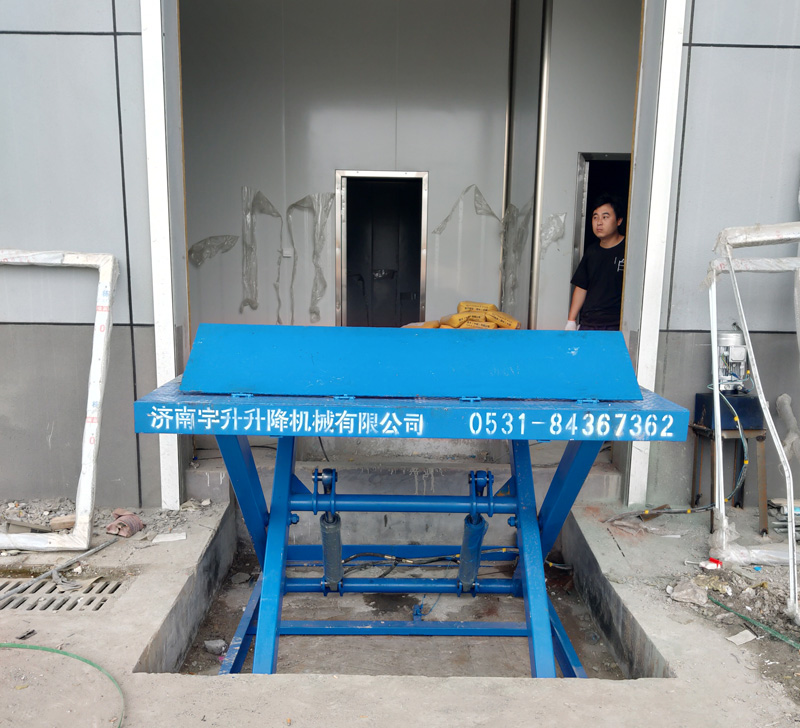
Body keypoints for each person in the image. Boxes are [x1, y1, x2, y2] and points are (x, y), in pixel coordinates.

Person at [565, 193, 626, 331]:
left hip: (616, 325)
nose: (599, 222)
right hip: (589, 324)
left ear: (619, 221)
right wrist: (571, 321)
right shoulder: (592, 251)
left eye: (605, 217)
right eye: (595, 217)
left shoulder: (628, 250)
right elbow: (581, 287)